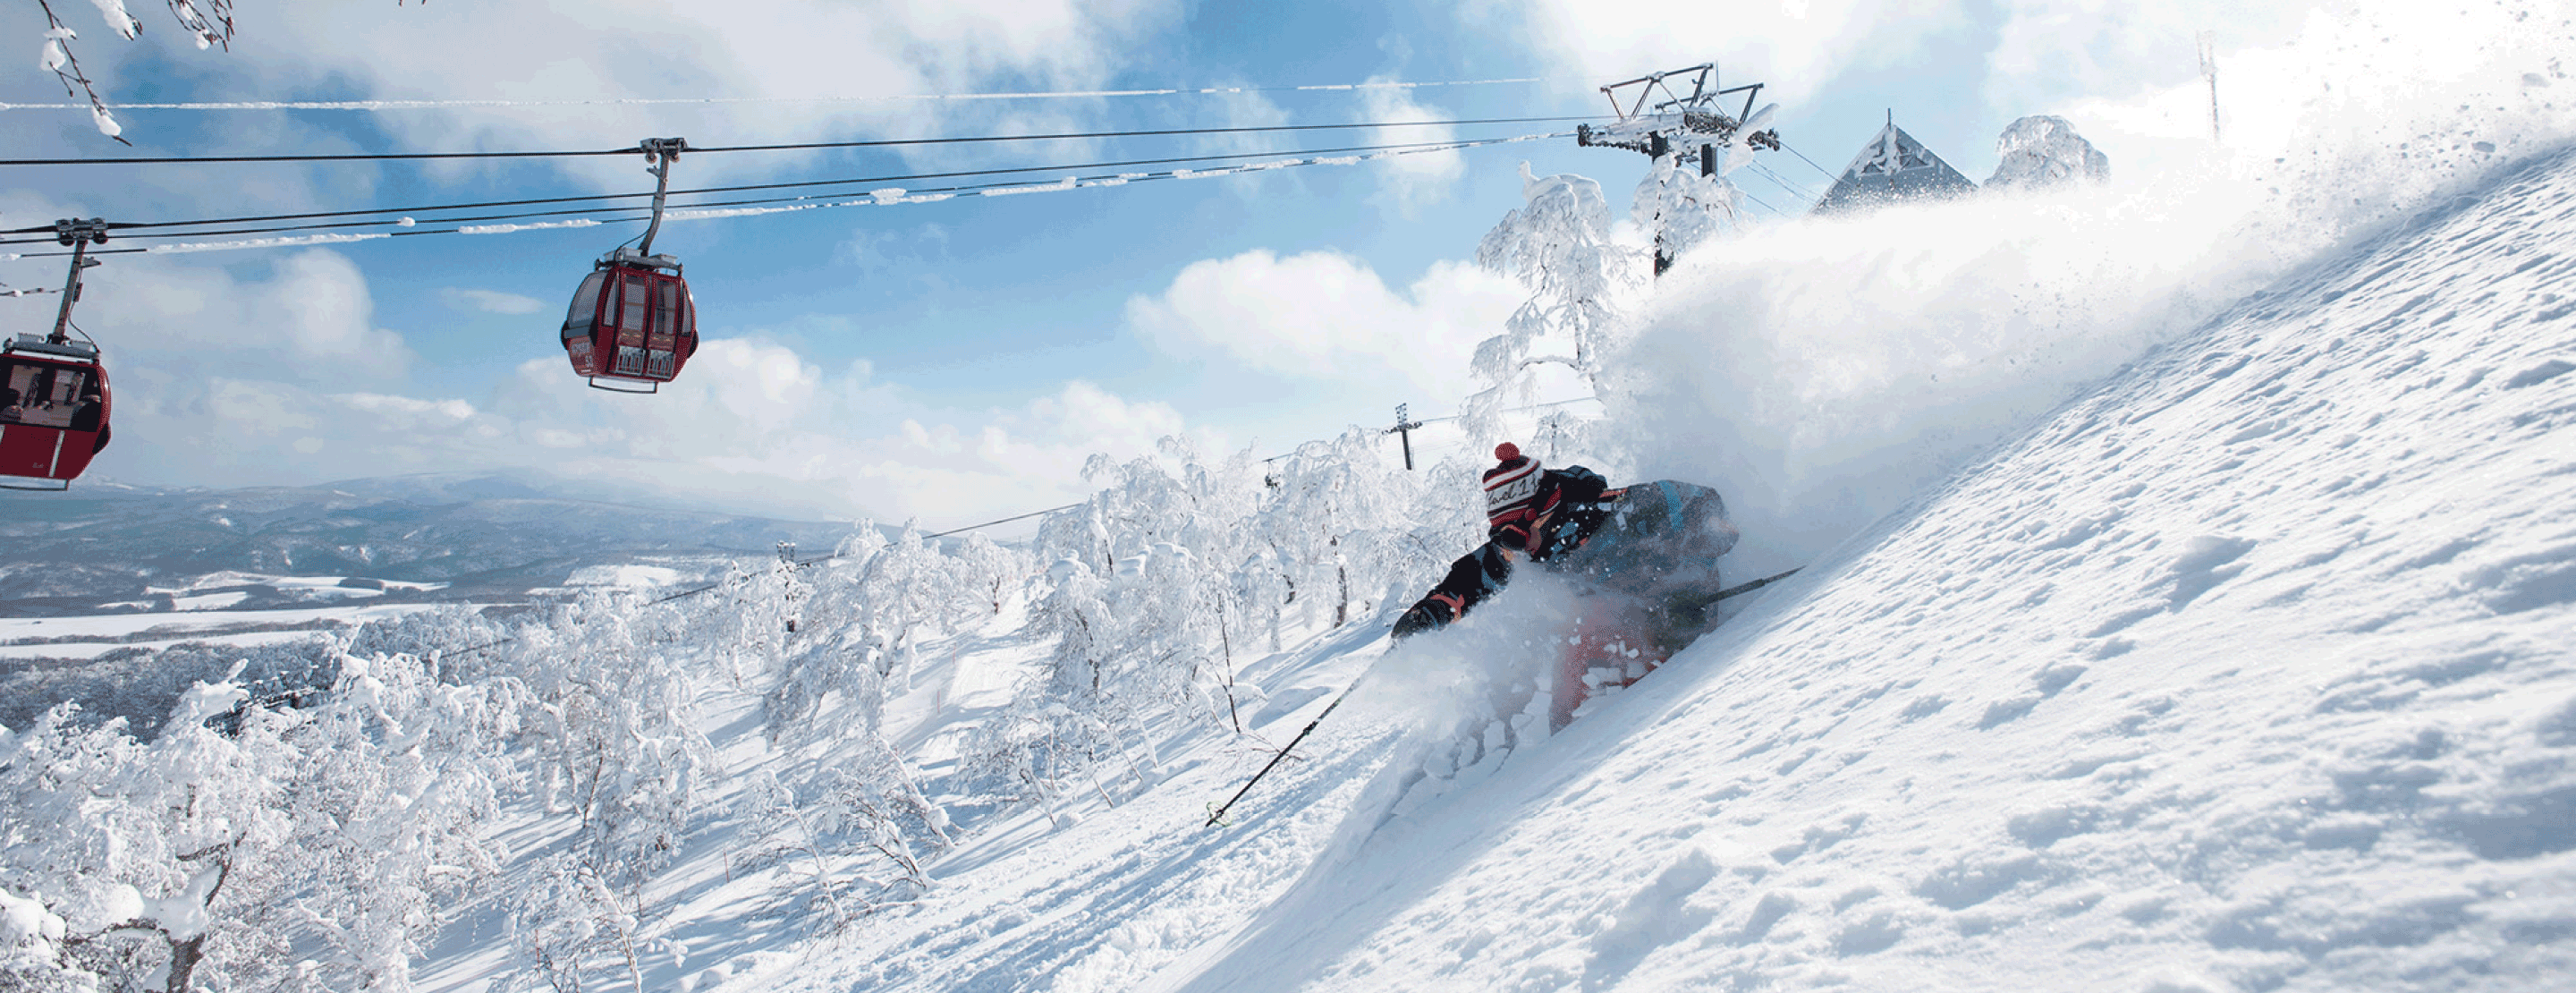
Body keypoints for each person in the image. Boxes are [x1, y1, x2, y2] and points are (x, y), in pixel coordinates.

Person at [1393, 443, 1741, 725]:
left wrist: (1692, 582)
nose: (1512, 550)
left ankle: (1640, 733)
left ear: (1543, 510)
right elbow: (1472, 576)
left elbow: (1701, 503)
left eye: (1513, 538)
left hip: (1684, 612)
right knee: (1575, 644)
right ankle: (1568, 748)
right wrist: (1431, 612)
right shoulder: (1528, 547)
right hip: (1628, 626)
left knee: (1587, 634)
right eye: (1504, 540)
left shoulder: (1616, 512)